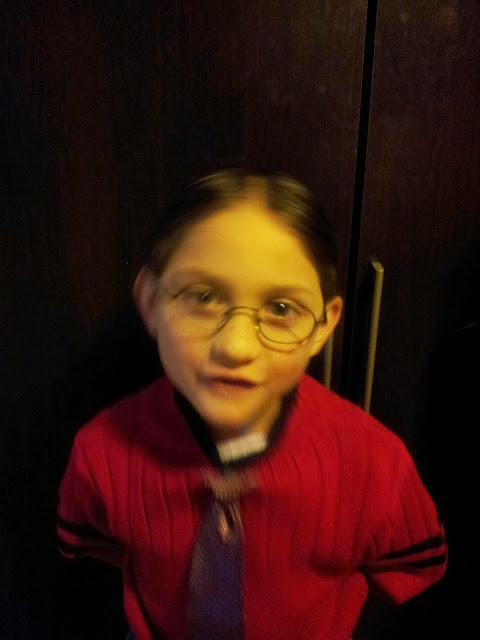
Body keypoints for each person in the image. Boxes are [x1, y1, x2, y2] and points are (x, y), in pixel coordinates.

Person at [57, 169, 447, 640]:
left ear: (324, 326)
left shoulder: (375, 465)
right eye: (203, 297)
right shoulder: (101, 452)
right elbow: (93, 545)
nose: (236, 347)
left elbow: (410, 566)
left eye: (281, 309)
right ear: (151, 301)